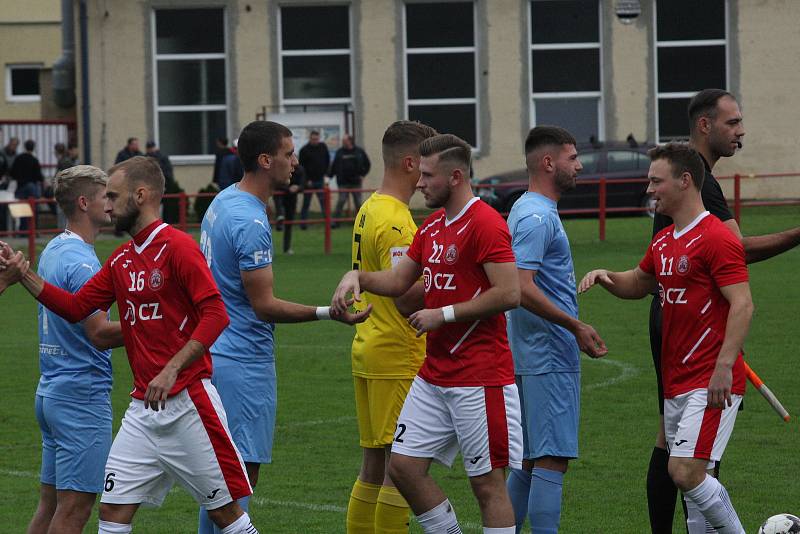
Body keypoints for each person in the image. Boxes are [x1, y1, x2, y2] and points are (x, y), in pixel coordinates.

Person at [1, 156, 260, 534]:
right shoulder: (122, 259)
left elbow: (217, 314)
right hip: (143, 411)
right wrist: (24, 273)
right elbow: (76, 308)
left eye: (114, 195)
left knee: (226, 516)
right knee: (112, 514)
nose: (107, 204)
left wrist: (172, 367)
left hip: (189, 404)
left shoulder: (178, 247)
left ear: (140, 196)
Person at [332, 134, 522, 534]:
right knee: (402, 467)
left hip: (480, 377)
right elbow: (400, 279)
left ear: (455, 177)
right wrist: (358, 276)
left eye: (428, 175)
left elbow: (509, 293)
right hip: (434, 374)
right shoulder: (433, 226)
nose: (419, 182)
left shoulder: (486, 222)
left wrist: (444, 314)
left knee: (487, 485)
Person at [197, 120, 370, 534]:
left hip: (214, 351)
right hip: (242, 360)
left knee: (222, 478)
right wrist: (330, 313)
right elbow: (264, 306)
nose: (295, 161)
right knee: (237, 478)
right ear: (265, 160)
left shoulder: (223, 200)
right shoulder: (251, 222)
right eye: (289, 153)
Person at [645, 89, 800, 534]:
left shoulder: (696, 178)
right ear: (705, 126)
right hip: (684, 321)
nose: (742, 131)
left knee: (684, 449)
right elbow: (736, 250)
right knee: (686, 453)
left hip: (685, 316)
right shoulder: (696, 181)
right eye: (733, 123)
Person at [580, 143, 752, 534]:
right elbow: (640, 282)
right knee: (696, 488)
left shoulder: (716, 238)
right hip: (675, 381)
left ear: (685, 181)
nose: (649, 189)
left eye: (656, 181)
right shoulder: (664, 240)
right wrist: (607, 277)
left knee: (684, 471)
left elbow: (743, 305)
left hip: (710, 379)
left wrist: (724, 367)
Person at [504, 126, 608, 534]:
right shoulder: (536, 217)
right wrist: (575, 325)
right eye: (572, 157)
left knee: (531, 458)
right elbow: (520, 286)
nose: (579, 165)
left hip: (531, 353)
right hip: (547, 355)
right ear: (549, 163)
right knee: (550, 459)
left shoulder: (524, 208)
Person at [343, 120, 437, 534]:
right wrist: (450, 280)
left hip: (369, 346)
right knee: (402, 469)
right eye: (428, 163)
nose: (431, 172)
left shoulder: (369, 207)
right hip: (395, 352)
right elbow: (405, 296)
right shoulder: (398, 221)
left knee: (374, 464)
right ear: (410, 162)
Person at [21, 165, 124, 534]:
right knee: (75, 509)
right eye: (105, 196)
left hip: (52, 391)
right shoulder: (82, 262)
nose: (112, 204)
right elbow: (98, 332)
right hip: (81, 395)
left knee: (51, 505)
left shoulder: (55, 249)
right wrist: (154, 322)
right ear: (84, 203)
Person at [331, 134, 371, 227]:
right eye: (342, 141)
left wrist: (363, 175)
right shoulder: (339, 152)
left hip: (356, 182)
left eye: (344, 141)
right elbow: (334, 165)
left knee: (358, 203)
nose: (343, 142)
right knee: (341, 201)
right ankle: (335, 222)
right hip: (343, 182)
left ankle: (361, 223)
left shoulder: (359, 151)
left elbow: (367, 164)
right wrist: (329, 176)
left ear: (350, 141)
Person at [298, 130, 330, 229]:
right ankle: (303, 224)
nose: (315, 141)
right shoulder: (304, 150)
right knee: (306, 203)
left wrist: (326, 175)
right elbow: (301, 167)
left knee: (324, 203)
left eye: (316, 139)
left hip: (320, 179)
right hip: (308, 182)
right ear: (310, 139)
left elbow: (327, 161)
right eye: (313, 139)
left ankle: (328, 222)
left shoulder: (323, 147)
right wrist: (306, 180)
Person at [11, 139, 45, 231]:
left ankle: (23, 230)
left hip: (21, 186)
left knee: (22, 209)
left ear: (24, 147)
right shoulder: (34, 160)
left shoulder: (19, 158)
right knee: (33, 209)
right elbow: (39, 176)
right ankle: (33, 230)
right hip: (32, 187)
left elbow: (12, 172)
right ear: (33, 148)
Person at [274, 162, 304, 254]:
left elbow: (303, 183)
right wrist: (289, 188)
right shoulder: (279, 168)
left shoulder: (300, 170)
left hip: (291, 198)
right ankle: (280, 216)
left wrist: (298, 187)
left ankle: (286, 248)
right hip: (281, 195)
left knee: (289, 224)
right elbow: (276, 183)